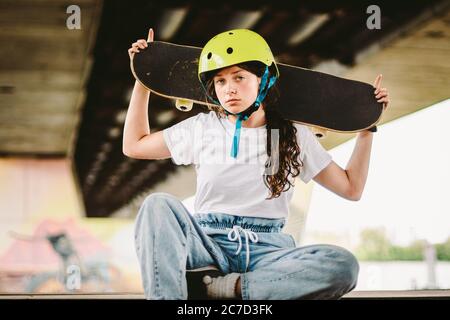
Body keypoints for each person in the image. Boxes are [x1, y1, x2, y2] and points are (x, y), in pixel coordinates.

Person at [124, 28, 390, 300]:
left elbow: (351, 188)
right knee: (156, 205)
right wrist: (144, 77)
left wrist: (366, 128)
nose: (230, 89)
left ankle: (227, 288)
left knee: (342, 265)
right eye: (221, 81)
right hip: (208, 247)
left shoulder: (294, 134)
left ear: (263, 80)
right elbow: (134, 145)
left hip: (269, 253)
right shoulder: (202, 128)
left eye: (239, 77)